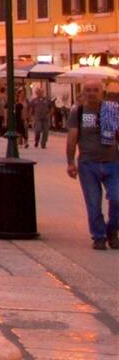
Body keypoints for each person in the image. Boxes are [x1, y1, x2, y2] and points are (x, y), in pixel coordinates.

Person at [67, 87, 119, 250]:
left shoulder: (112, 109)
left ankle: (112, 230)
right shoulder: (78, 112)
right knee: (93, 203)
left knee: (117, 198)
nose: (91, 93)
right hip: (88, 164)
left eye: (95, 90)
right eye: (88, 90)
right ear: (83, 93)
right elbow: (72, 137)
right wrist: (70, 162)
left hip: (112, 162)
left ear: (102, 93)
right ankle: (99, 236)